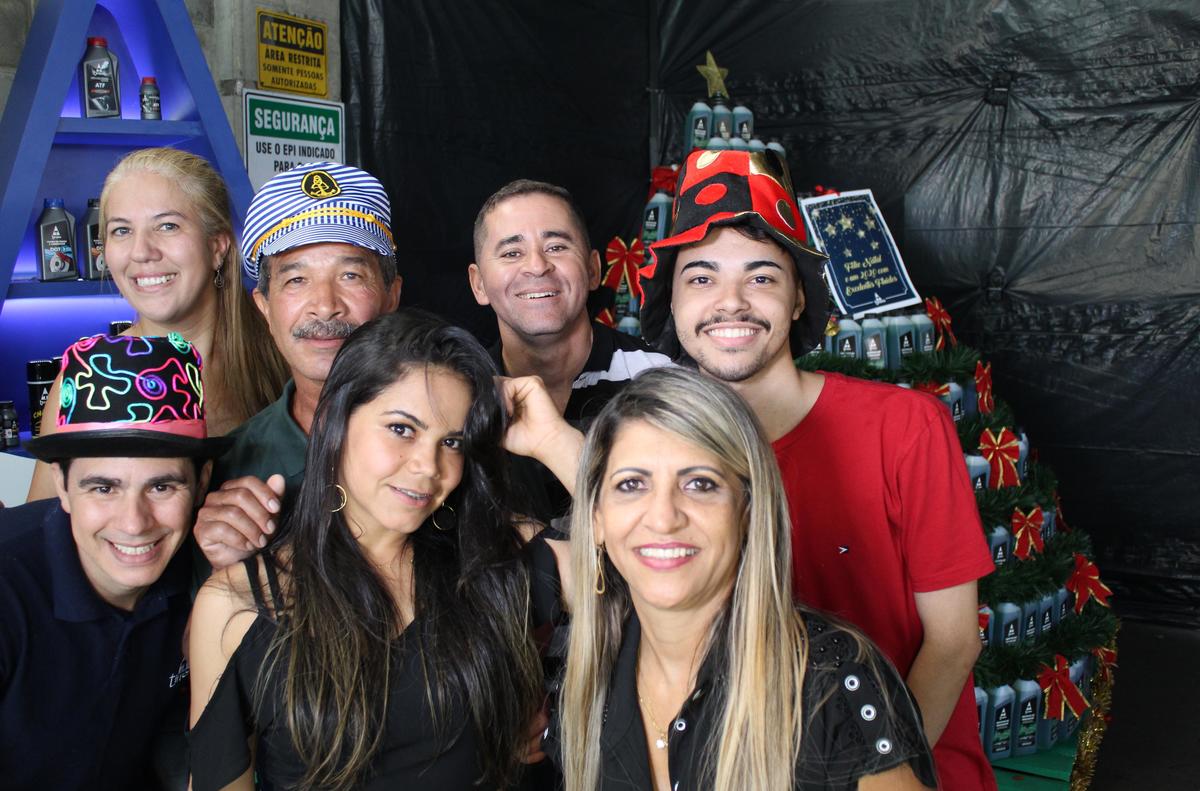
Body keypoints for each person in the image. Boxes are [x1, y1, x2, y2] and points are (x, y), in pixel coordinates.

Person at [638, 149, 996, 789]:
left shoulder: (906, 427)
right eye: (701, 278)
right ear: (673, 302)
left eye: (761, 277)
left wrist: (879, 774)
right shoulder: (658, 451)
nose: (730, 303)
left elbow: (953, 642)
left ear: (799, 296)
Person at [188, 310, 545, 791]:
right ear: (334, 420)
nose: (428, 466)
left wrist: (551, 440)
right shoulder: (236, 603)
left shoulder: (491, 556)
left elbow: (636, 569)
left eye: (452, 441)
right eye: (401, 429)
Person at [552, 366, 936, 790]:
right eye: (631, 485)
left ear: (747, 512)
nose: (663, 518)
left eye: (700, 484)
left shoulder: (832, 683)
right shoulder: (589, 679)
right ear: (597, 519)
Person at [0, 333, 228, 788]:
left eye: (161, 487)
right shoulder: (8, 588)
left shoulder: (209, 573)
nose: (134, 523)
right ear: (62, 486)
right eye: (104, 488)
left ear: (202, 483)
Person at [24, 147, 288, 502]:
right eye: (121, 230)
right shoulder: (89, 379)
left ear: (217, 247)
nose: (141, 251)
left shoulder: (284, 352)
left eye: (167, 226)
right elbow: (44, 525)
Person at [192, 161, 402, 569]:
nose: (325, 305)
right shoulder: (227, 471)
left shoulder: (446, 441)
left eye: (351, 275)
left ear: (391, 296)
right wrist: (225, 573)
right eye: (296, 280)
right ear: (264, 308)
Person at [469, 179, 671, 519]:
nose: (537, 266)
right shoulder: (462, 393)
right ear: (479, 284)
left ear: (593, 270)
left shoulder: (661, 382)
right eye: (512, 253)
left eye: (556, 247)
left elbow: (664, 524)